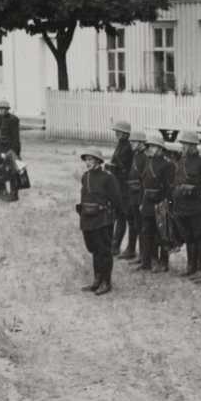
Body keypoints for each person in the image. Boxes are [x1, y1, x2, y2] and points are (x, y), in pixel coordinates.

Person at [77, 147, 124, 295]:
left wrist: (115, 217)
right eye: (86, 159)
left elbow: (116, 200)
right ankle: (97, 279)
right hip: (88, 219)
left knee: (104, 250)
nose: (88, 162)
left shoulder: (108, 177)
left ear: (98, 161)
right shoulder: (86, 177)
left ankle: (106, 282)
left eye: (91, 159)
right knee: (93, 250)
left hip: (102, 220)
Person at [172, 129, 201, 279]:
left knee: (200, 236)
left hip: (196, 205)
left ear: (193, 145)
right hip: (182, 205)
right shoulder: (182, 160)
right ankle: (191, 266)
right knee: (188, 236)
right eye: (182, 143)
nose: (182, 146)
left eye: (185, 143)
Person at [137, 132, 175, 272]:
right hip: (148, 202)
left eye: (154, 146)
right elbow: (143, 183)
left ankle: (163, 263)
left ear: (161, 148)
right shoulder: (147, 162)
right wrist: (141, 202)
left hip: (161, 203)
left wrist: (168, 206)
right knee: (146, 233)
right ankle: (146, 261)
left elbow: (170, 187)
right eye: (149, 146)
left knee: (162, 234)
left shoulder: (167, 164)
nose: (151, 148)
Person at [108, 119, 135, 257]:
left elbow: (127, 167)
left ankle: (117, 246)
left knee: (122, 216)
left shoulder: (127, 147)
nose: (117, 133)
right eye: (116, 131)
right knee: (119, 216)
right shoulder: (120, 145)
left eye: (120, 131)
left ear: (126, 133)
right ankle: (115, 245)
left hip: (124, 186)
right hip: (118, 184)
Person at [120, 128, 148, 257]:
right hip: (132, 193)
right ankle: (132, 250)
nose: (131, 144)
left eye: (134, 142)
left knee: (141, 225)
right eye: (131, 142)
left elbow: (145, 178)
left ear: (141, 142)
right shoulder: (136, 155)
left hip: (139, 194)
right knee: (133, 222)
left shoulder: (145, 157)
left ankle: (144, 255)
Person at [0, 100, 22, 201]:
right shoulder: (3, 119)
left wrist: (13, 151)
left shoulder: (12, 119)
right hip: (4, 148)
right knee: (7, 171)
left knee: (13, 171)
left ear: (7, 109)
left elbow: (15, 137)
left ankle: (14, 194)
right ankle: (10, 192)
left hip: (11, 148)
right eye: (0, 109)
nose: (1, 111)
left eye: (3, 109)